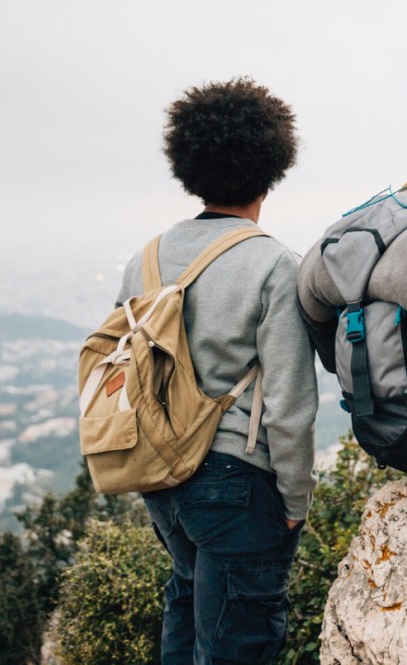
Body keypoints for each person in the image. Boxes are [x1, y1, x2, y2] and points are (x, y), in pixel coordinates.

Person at [117, 78, 318, 664]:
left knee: (186, 604)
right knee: (237, 640)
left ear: (189, 167)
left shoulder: (143, 260)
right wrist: (296, 501)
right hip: (238, 481)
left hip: (161, 477)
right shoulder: (275, 265)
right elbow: (289, 404)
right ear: (271, 168)